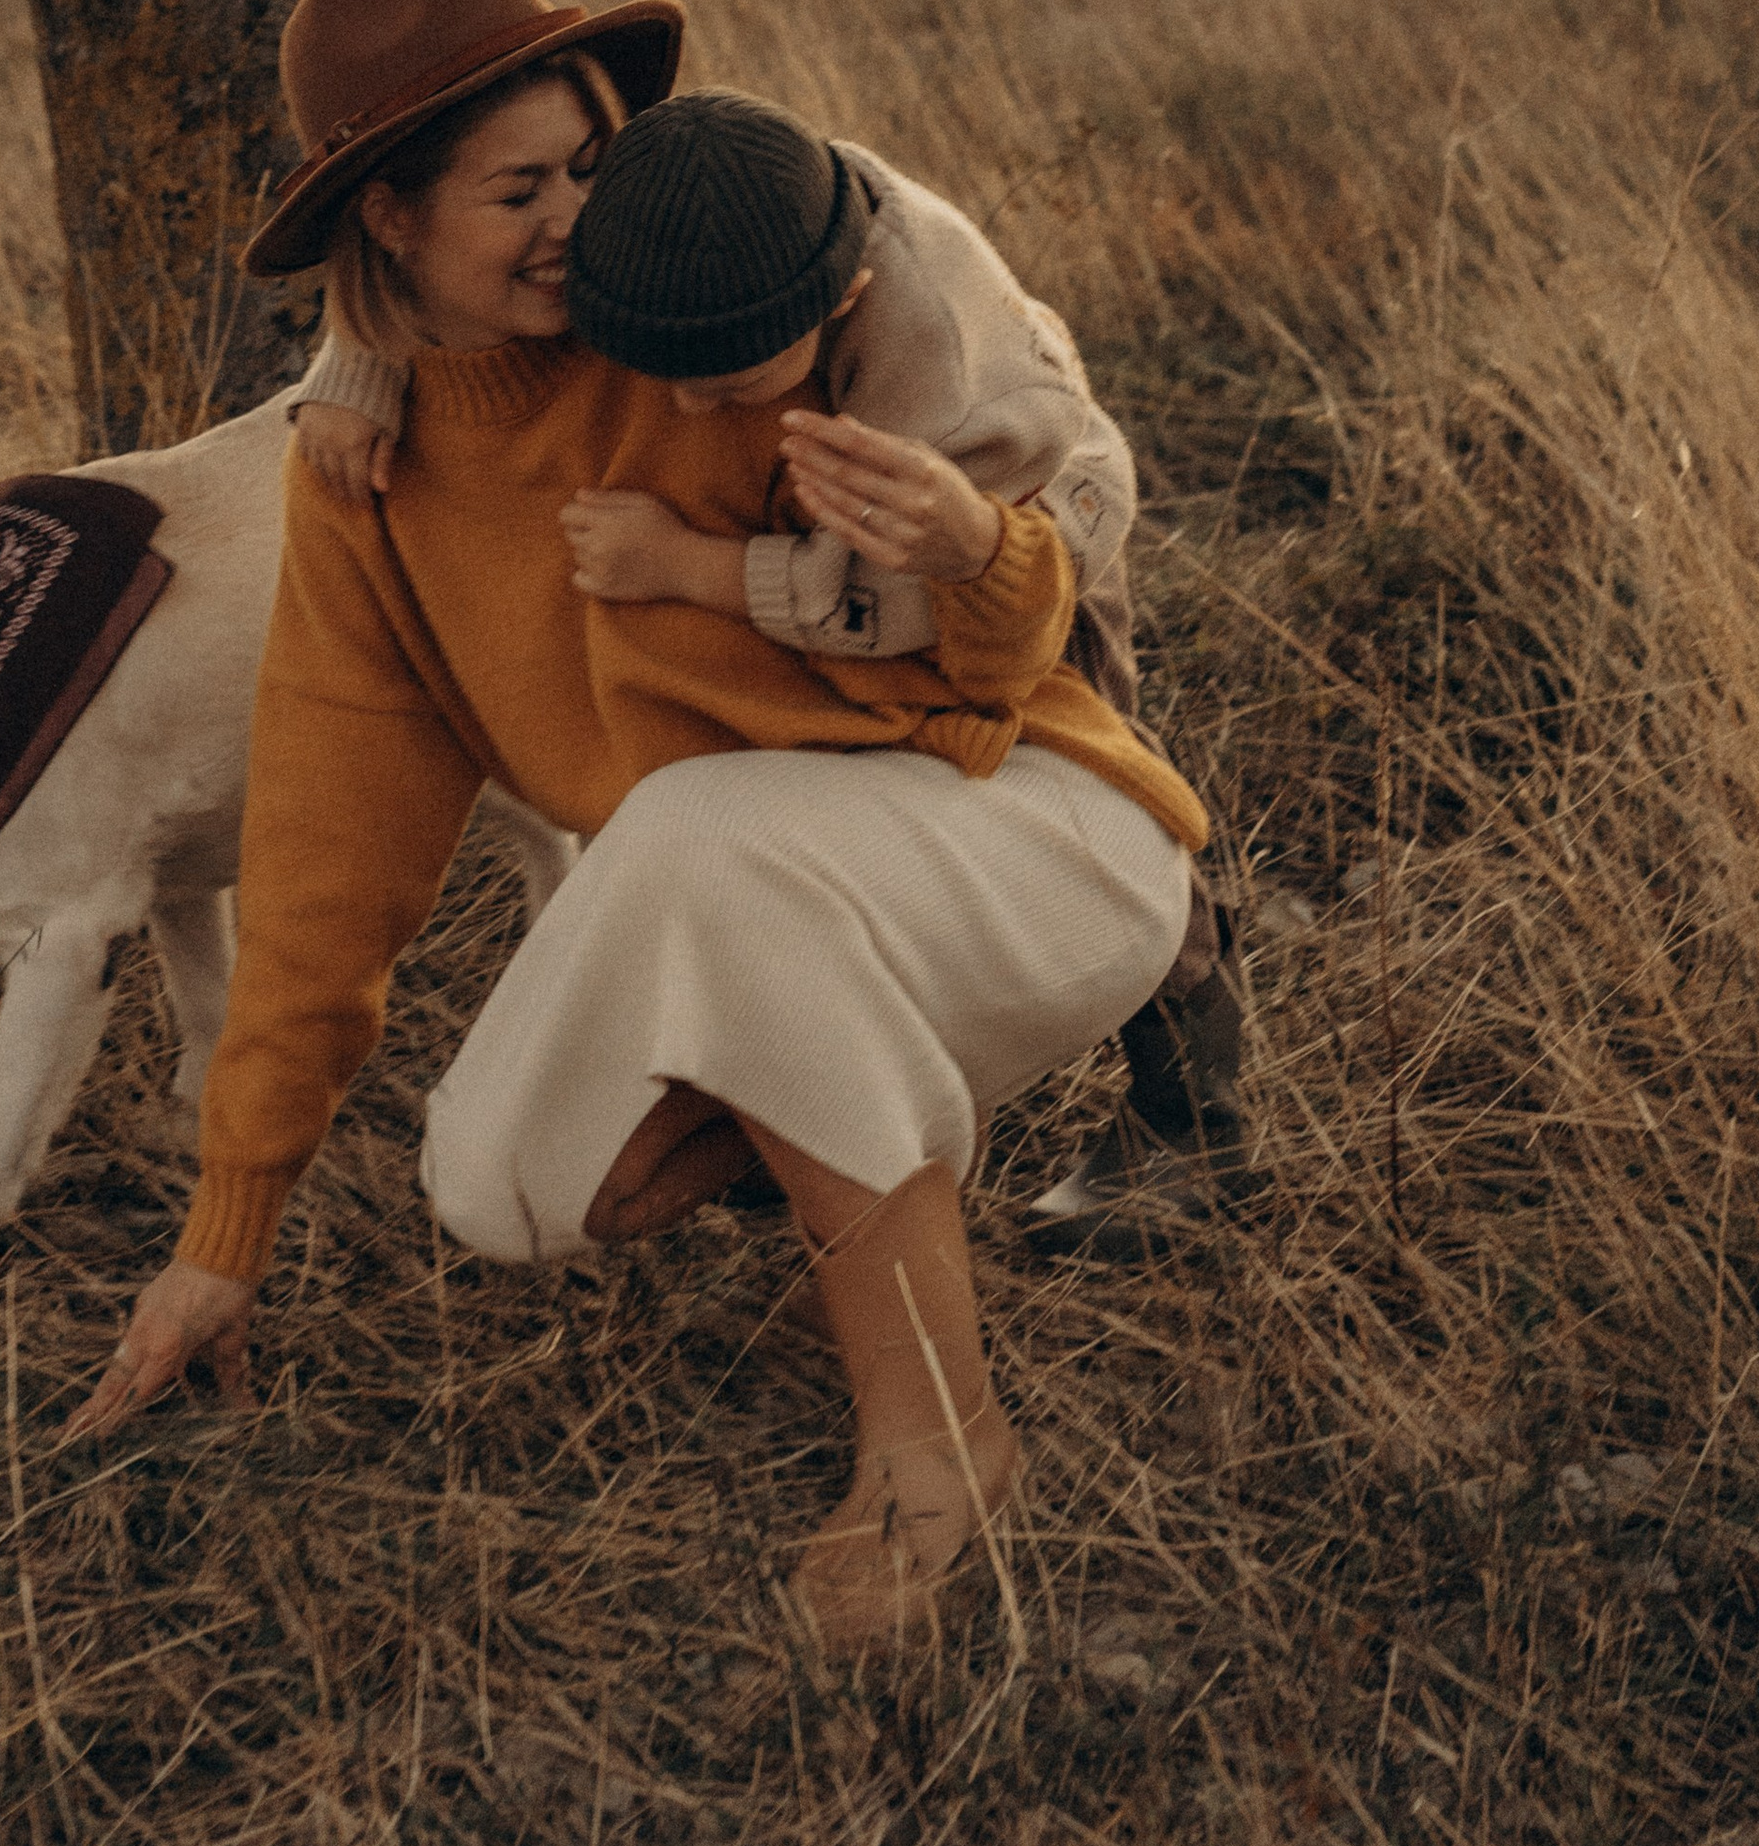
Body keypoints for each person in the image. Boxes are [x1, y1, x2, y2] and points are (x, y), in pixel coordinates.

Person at [71, 0, 1209, 1652]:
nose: (578, 221)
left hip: (1030, 829)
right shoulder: (370, 475)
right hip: (778, 897)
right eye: (516, 190)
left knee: (694, 835)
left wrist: (982, 549)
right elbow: (323, 859)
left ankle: (938, 1446)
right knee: (504, 1182)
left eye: (590, 166)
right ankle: (850, 1183)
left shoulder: (713, 306)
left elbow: (893, 286)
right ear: (390, 219)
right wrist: (229, 1225)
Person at [296, 85, 1249, 1242]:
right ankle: (794, 1072)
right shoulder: (704, 187)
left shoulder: (943, 396)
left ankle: (1195, 1101)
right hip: (868, 460)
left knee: (1082, 743)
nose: (690, 408)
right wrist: (358, 358)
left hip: (1032, 497)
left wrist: (697, 568)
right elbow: (453, 245)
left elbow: (898, 603)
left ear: (838, 297)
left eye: (726, 385)